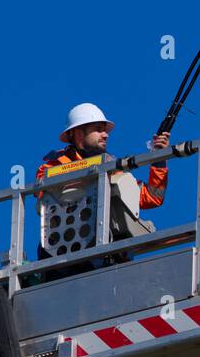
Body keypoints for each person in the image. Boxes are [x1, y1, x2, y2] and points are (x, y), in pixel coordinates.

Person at [36, 102, 169, 278]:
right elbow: (44, 198)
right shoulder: (52, 166)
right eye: (98, 129)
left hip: (105, 257)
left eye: (105, 130)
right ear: (77, 133)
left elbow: (151, 198)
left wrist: (158, 158)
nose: (105, 134)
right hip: (62, 251)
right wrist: (95, 170)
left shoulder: (112, 167)